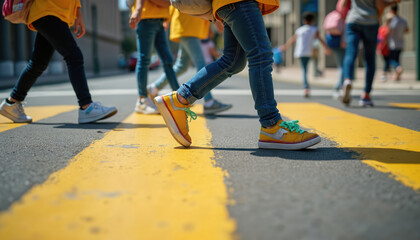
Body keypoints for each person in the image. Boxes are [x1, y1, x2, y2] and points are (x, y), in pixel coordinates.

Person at [154, 0, 321, 150]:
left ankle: (180, 99)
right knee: (261, 55)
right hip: (239, 1)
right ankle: (271, 126)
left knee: (233, 61)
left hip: (230, 4)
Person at [0, 0, 117, 124]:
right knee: (73, 56)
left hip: (51, 12)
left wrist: (78, 13)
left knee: (38, 63)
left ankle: (12, 103)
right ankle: (86, 106)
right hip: (48, 10)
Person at [147, 7, 232, 115]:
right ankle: (209, 101)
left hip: (186, 27)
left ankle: (153, 88)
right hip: (188, 28)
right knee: (201, 63)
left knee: (182, 65)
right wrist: (216, 20)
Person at [341, 0, 401, 107]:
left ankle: (347, 80)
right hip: (371, 21)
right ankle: (366, 95)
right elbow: (380, 5)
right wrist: (391, 2)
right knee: (369, 58)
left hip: (353, 20)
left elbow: (343, 4)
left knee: (350, 53)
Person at [129, 0, 178, 114]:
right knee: (144, 59)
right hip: (146, 20)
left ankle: (178, 97)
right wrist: (138, 10)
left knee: (168, 60)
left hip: (160, 21)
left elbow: (168, 3)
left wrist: (167, 18)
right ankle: (142, 100)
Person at [281, 12, 330, 98]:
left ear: (304, 20)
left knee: (304, 69)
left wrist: (285, 46)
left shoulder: (300, 30)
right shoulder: (314, 29)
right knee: (308, 67)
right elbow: (320, 39)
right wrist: (326, 47)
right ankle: (308, 84)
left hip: (300, 52)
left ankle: (306, 86)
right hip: (309, 52)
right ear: (313, 20)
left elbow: (292, 39)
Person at [388, 4, 409, 81]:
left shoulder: (393, 20)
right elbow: (407, 30)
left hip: (393, 43)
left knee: (391, 60)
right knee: (397, 59)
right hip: (401, 42)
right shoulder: (403, 20)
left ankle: (398, 68)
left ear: (392, 11)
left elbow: (389, 31)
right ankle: (397, 76)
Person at [377, 14, 393, 82]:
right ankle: (384, 75)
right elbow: (383, 39)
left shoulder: (382, 28)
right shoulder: (387, 29)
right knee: (387, 61)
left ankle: (385, 74)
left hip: (384, 47)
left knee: (387, 61)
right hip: (386, 48)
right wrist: (381, 47)